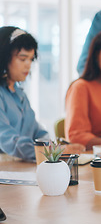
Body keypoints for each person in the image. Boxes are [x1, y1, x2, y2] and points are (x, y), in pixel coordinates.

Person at [0, 26, 85, 161]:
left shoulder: (20, 94)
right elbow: (10, 142)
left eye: (31, 59)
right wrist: (53, 150)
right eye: (22, 59)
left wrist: (53, 146)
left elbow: (37, 131)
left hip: (23, 166)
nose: (28, 65)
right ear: (4, 58)